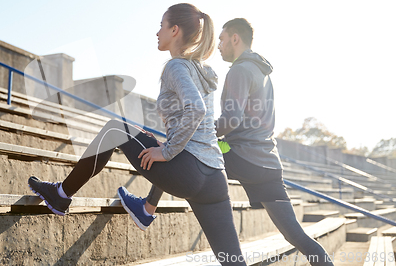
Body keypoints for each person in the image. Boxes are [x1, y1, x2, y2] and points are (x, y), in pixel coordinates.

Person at [28, 4, 247, 266]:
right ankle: (136, 207)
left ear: (174, 30)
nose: (157, 32)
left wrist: (167, 151)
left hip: (188, 171)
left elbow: (196, 109)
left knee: (115, 128)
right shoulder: (200, 71)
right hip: (215, 178)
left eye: (161, 26)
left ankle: (61, 195)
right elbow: (199, 122)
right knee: (234, 261)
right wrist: (172, 145)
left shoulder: (176, 67)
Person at [121, 18, 334, 266]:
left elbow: (231, 120)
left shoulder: (239, 70)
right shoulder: (262, 72)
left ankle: (147, 209)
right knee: (294, 234)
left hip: (237, 152)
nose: (219, 45)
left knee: (187, 148)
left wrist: (201, 130)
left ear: (235, 39)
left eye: (222, 39)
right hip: (268, 163)